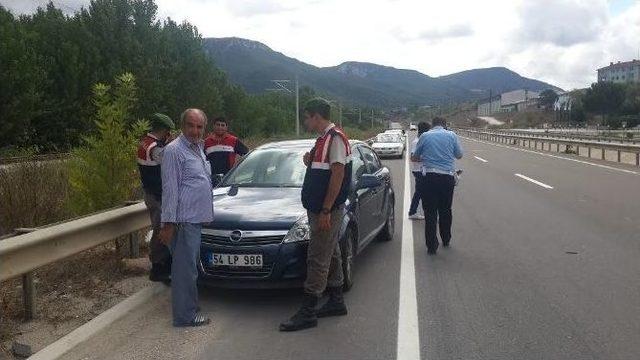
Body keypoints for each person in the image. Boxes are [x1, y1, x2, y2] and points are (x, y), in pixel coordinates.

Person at [280, 98, 353, 332]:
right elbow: (324, 169)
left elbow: (338, 175)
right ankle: (336, 300)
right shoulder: (323, 139)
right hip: (319, 209)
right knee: (331, 254)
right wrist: (309, 161)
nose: (305, 120)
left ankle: (308, 310)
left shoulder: (336, 138)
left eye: (307, 116)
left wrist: (326, 210)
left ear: (316, 116)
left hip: (326, 210)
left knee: (317, 257)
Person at [159, 108, 214, 327]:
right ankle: (185, 316)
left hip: (194, 219)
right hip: (183, 221)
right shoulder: (174, 151)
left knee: (190, 267)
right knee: (184, 271)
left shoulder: (198, 149)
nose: (195, 130)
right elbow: (170, 190)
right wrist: (169, 224)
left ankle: (188, 305)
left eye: (199, 126)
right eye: (191, 125)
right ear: (182, 126)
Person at [411, 117, 463, 255]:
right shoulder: (452, 135)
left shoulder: (425, 136)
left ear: (432, 125)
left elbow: (415, 157)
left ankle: (431, 246)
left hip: (429, 177)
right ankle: (446, 238)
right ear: (445, 125)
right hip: (447, 177)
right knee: (446, 209)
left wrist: (428, 157)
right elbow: (459, 155)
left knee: (430, 212)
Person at [137, 113, 175, 283]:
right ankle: (159, 267)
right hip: (156, 195)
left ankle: (163, 264)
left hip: (152, 193)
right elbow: (169, 159)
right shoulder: (154, 147)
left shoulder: (145, 141)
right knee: (161, 230)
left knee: (161, 228)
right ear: (165, 130)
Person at [204, 117, 249, 186]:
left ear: (226, 127)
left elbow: (247, 154)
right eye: (218, 125)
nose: (220, 127)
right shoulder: (206, 142)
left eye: (222, 125)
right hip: (210, 179)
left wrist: (238, 169)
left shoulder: (233, 140)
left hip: (228, 178)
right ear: (213, 126)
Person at [408, 122, 431, 220]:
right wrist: (428, 158)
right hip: (419, 170)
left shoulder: (422, 141)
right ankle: (414, 212)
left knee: (420, 192)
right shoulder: (417, 142)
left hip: (423, 170)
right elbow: (413, 158)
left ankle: (413, 211)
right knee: (422, 193)